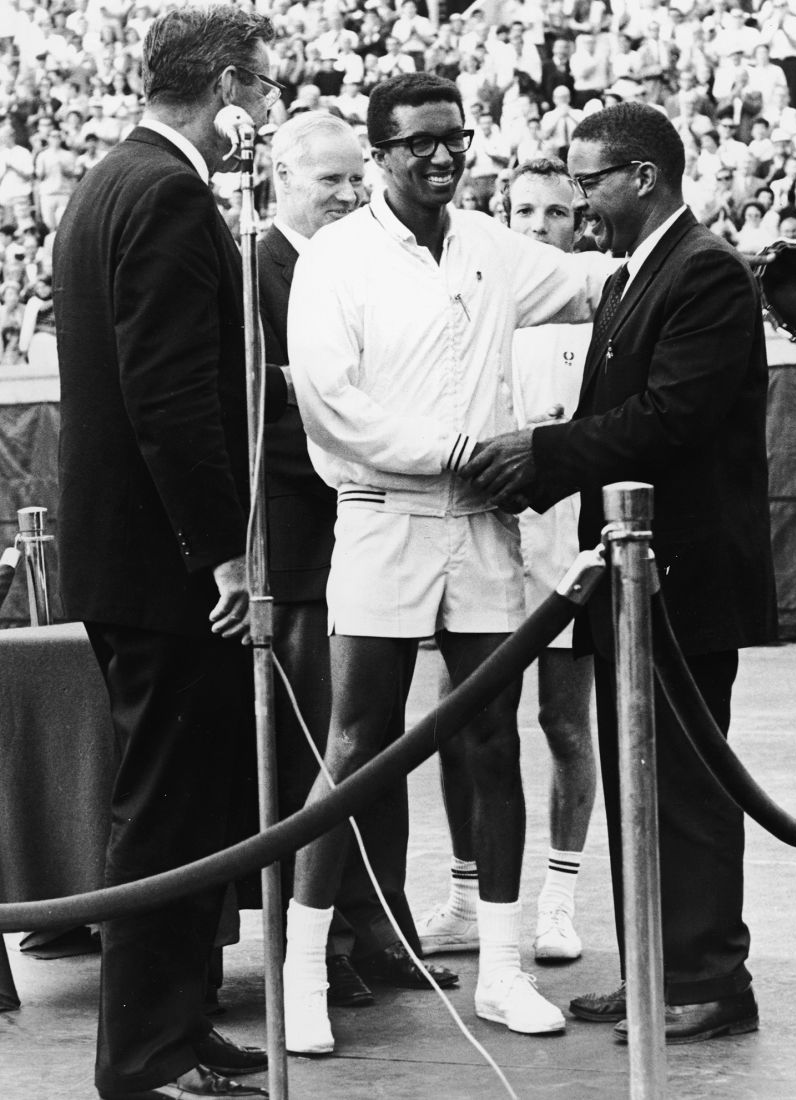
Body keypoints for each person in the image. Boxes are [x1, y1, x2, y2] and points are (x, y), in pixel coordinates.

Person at [283, 72, 612, 1053]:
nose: (440, 156)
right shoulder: (336, 257)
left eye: (453, 139)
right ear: (382, 153)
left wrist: (735, 260)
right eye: (418, 142)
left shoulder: (490, 244)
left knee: (490, 743)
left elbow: (602, 278)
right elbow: (331, 405)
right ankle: (302, 973)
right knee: (353, 744)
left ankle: (504, 969)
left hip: (481, 529)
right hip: (382, 515)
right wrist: (457, 450)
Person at [461, 100, 778, 1044]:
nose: (580, 197)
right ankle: (657, 968)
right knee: (643, 782)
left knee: (684, 788)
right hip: (638, 582)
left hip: (683, 582)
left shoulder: (705, 272)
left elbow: (670, 417)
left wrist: (542, 455)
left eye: (590, 180)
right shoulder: (639, 276)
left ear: (642, 176)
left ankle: (710, 980)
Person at [53, 7, 292, 1098]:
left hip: (134, 557)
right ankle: (146, 1051)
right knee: (162, 806)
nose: (264, 115)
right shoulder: (163, 193)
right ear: (228, 85)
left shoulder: (115, 180)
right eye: (262, 91)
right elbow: (172, 401)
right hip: (166, 568)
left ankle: (182, 1023)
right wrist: (224, 558)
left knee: (191, 799)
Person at [256, 109, 456, 1021]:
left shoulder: (375, 257)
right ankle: (327, 945)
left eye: (352, 178)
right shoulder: (254, 269)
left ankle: (384, 929)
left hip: (380, 533)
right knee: (329, 746)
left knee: (379, 740)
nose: (347, 195)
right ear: (281, 179)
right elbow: (273, 425)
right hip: (304, 545)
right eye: (329, 181)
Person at [422, 158, 597, 967]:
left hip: (565, 545)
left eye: (556, 213)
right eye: (523, 211)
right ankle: (464, 897)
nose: (538, 226)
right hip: (482, 542)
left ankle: (558, 901)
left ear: (577, 224)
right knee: (467, 723)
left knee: (564, 722)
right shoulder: (471, 303)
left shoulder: (594, 314)